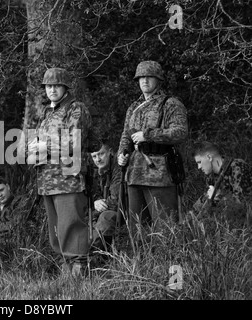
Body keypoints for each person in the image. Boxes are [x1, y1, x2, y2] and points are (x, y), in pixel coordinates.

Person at [32, 67, 92, 277]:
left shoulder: (75, 109)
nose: (52, 90)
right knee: (56, 229)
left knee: (71, 224)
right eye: (48, 86)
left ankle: (78, 269)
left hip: (69, 178)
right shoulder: (48, 112)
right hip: (48, 179)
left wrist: (43, 147)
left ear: (65, 87)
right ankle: (65, 269)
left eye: (56, 85)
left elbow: (73, 141)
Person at [117, 60, 188, 233]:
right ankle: (142, 261)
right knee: (137, 228)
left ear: (158, 80)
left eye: (149, 77)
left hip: (160, 174)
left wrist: (148, 135)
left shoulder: (170, 104)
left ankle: (168, 260)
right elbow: (126, 134)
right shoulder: (133, 107)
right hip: (134, 172)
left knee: (165, 227)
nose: (144, 81)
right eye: (141, 77)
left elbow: (180, 132)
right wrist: (122, 153)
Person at [192, 141, 252, 227]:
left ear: (209, 157)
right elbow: (205, 201)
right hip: (231, 222)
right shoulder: (211, 177)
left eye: (199, 162)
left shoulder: (237, 167)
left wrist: (217, 197)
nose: (199, 167)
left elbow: (242, 204)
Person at [89, 143, 121, 255]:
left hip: (122, 211)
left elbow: (115, 201)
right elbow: (94, 193)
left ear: (110, 152)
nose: (98, 159)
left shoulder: (118, 167)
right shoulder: (95, 170)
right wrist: (96, 201)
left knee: (105, 218)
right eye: (94, 156)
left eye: (101, 154)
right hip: (103, 210)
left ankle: (93, 255)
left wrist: (97, 210)